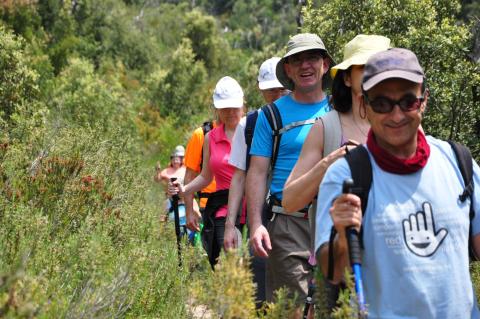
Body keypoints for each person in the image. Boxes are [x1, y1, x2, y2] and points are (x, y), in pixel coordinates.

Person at [315, 48, 480, 318]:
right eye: (381, 103)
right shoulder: (345, 176)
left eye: (407, 101)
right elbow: (332, 271)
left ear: (424, 100)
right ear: (365, 106)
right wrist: (343, 236)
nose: (396, 115)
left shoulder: (458, 161)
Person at [246, 33, 332, 305]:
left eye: (312, 58)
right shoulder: (270, 115)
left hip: (333, 219)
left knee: (332, 306)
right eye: (297, 60)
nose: (305, 66)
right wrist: (256, 224)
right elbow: (257, 172)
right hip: (286, 223)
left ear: (326, 65)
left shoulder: (340, 109)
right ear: (288, 70)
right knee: (290, 307)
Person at [223, 57, 287, 307]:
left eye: (282, 88)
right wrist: (230, 225)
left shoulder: (309, 119)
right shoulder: (248, 125)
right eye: (271, 89)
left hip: (296, 214)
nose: (277, 94)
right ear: (261, 90)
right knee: (260, 288)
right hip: (259, 217)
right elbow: (238, 177)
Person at [170, 76, 246, 268]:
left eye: (234, 107)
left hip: (253, 206)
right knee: (226, 263)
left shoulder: (254, 130)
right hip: (222, 208)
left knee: (253, 270)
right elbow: (205, 176)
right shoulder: (209, 137)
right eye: (224, 108)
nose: (229, 112)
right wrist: (185, 191)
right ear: (216, 109)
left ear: (242, 105)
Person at [183, 121, 217, 233]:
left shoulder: (246, 129)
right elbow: (189, 176)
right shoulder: (201, 135)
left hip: (241, 207)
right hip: (208, 206)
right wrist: (189, 212)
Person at [155, 145, 187, 227]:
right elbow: (157, 179)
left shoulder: (185, 170)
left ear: (181, 160)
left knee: (194, 211)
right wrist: (158, 171)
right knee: (162, 216)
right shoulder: (166, 171)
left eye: (177, 159)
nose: (175, 161)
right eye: (174, 159)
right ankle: (164, 231)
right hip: (170, 198)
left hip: (183, 198)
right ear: (171, 160)